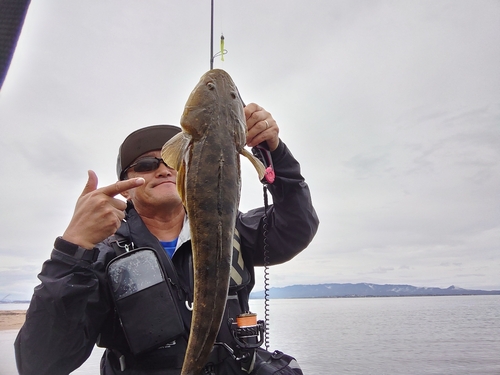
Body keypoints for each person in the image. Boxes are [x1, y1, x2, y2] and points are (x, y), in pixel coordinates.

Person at [14, 103, 319, 375]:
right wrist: (72, 248)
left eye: (173, 161)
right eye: (145, 165)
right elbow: (39, 363)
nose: (162, 170)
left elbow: (297, 226)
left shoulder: (232, 229)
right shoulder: (99, 257)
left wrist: (274, 153)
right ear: (125, 186)